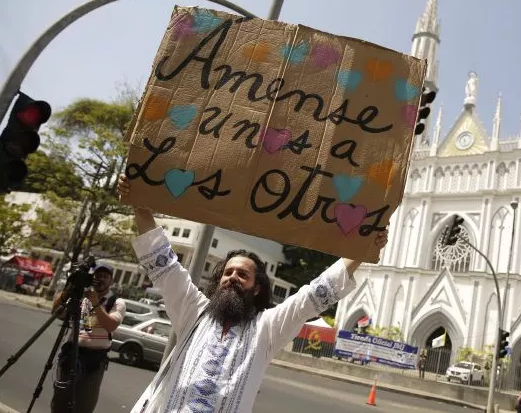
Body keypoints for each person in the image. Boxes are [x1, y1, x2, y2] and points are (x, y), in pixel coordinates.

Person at [116, 174, 388, 412]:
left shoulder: (266, 330)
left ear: (257, 288)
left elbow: (312, 296)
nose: (233, 277)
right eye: (228, 273)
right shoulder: (193, 311)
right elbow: (164, 264)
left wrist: (362, 249)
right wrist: (139, 205)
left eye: (242, 274)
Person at [50, 263, 127, 413]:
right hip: (71, 354)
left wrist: (96, 304)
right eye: (98, 275)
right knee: (59, 401)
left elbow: (111, 325)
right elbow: (57, 312)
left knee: (84, 405)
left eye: (105, 276)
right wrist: (69, 288)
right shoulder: (82, 297)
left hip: (94, 360)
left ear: (111, 281)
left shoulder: (117, 302)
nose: (101, 279)